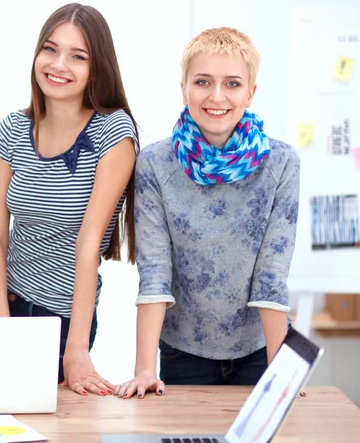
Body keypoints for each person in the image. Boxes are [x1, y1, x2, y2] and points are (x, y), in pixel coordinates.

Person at [116, 27, 300, 398]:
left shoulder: (281, 163)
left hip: (259, 350)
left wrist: (281, 371)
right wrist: (144, 370)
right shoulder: (154, 162)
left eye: (232, 83)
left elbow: (271, 274)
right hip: (183, 352)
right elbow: (155, 271)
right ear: (184, 88)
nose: (217, 96)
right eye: (203, 82)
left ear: (251, 91)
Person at [0, 3, 139, 396]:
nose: (58, 64)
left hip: (63, 319)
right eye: (50, 50)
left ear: (96, 67)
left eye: (78, 56)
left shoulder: (113, 131)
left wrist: (76, 346)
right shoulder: (13, 129)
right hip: (5, 304)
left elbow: (89, 242)